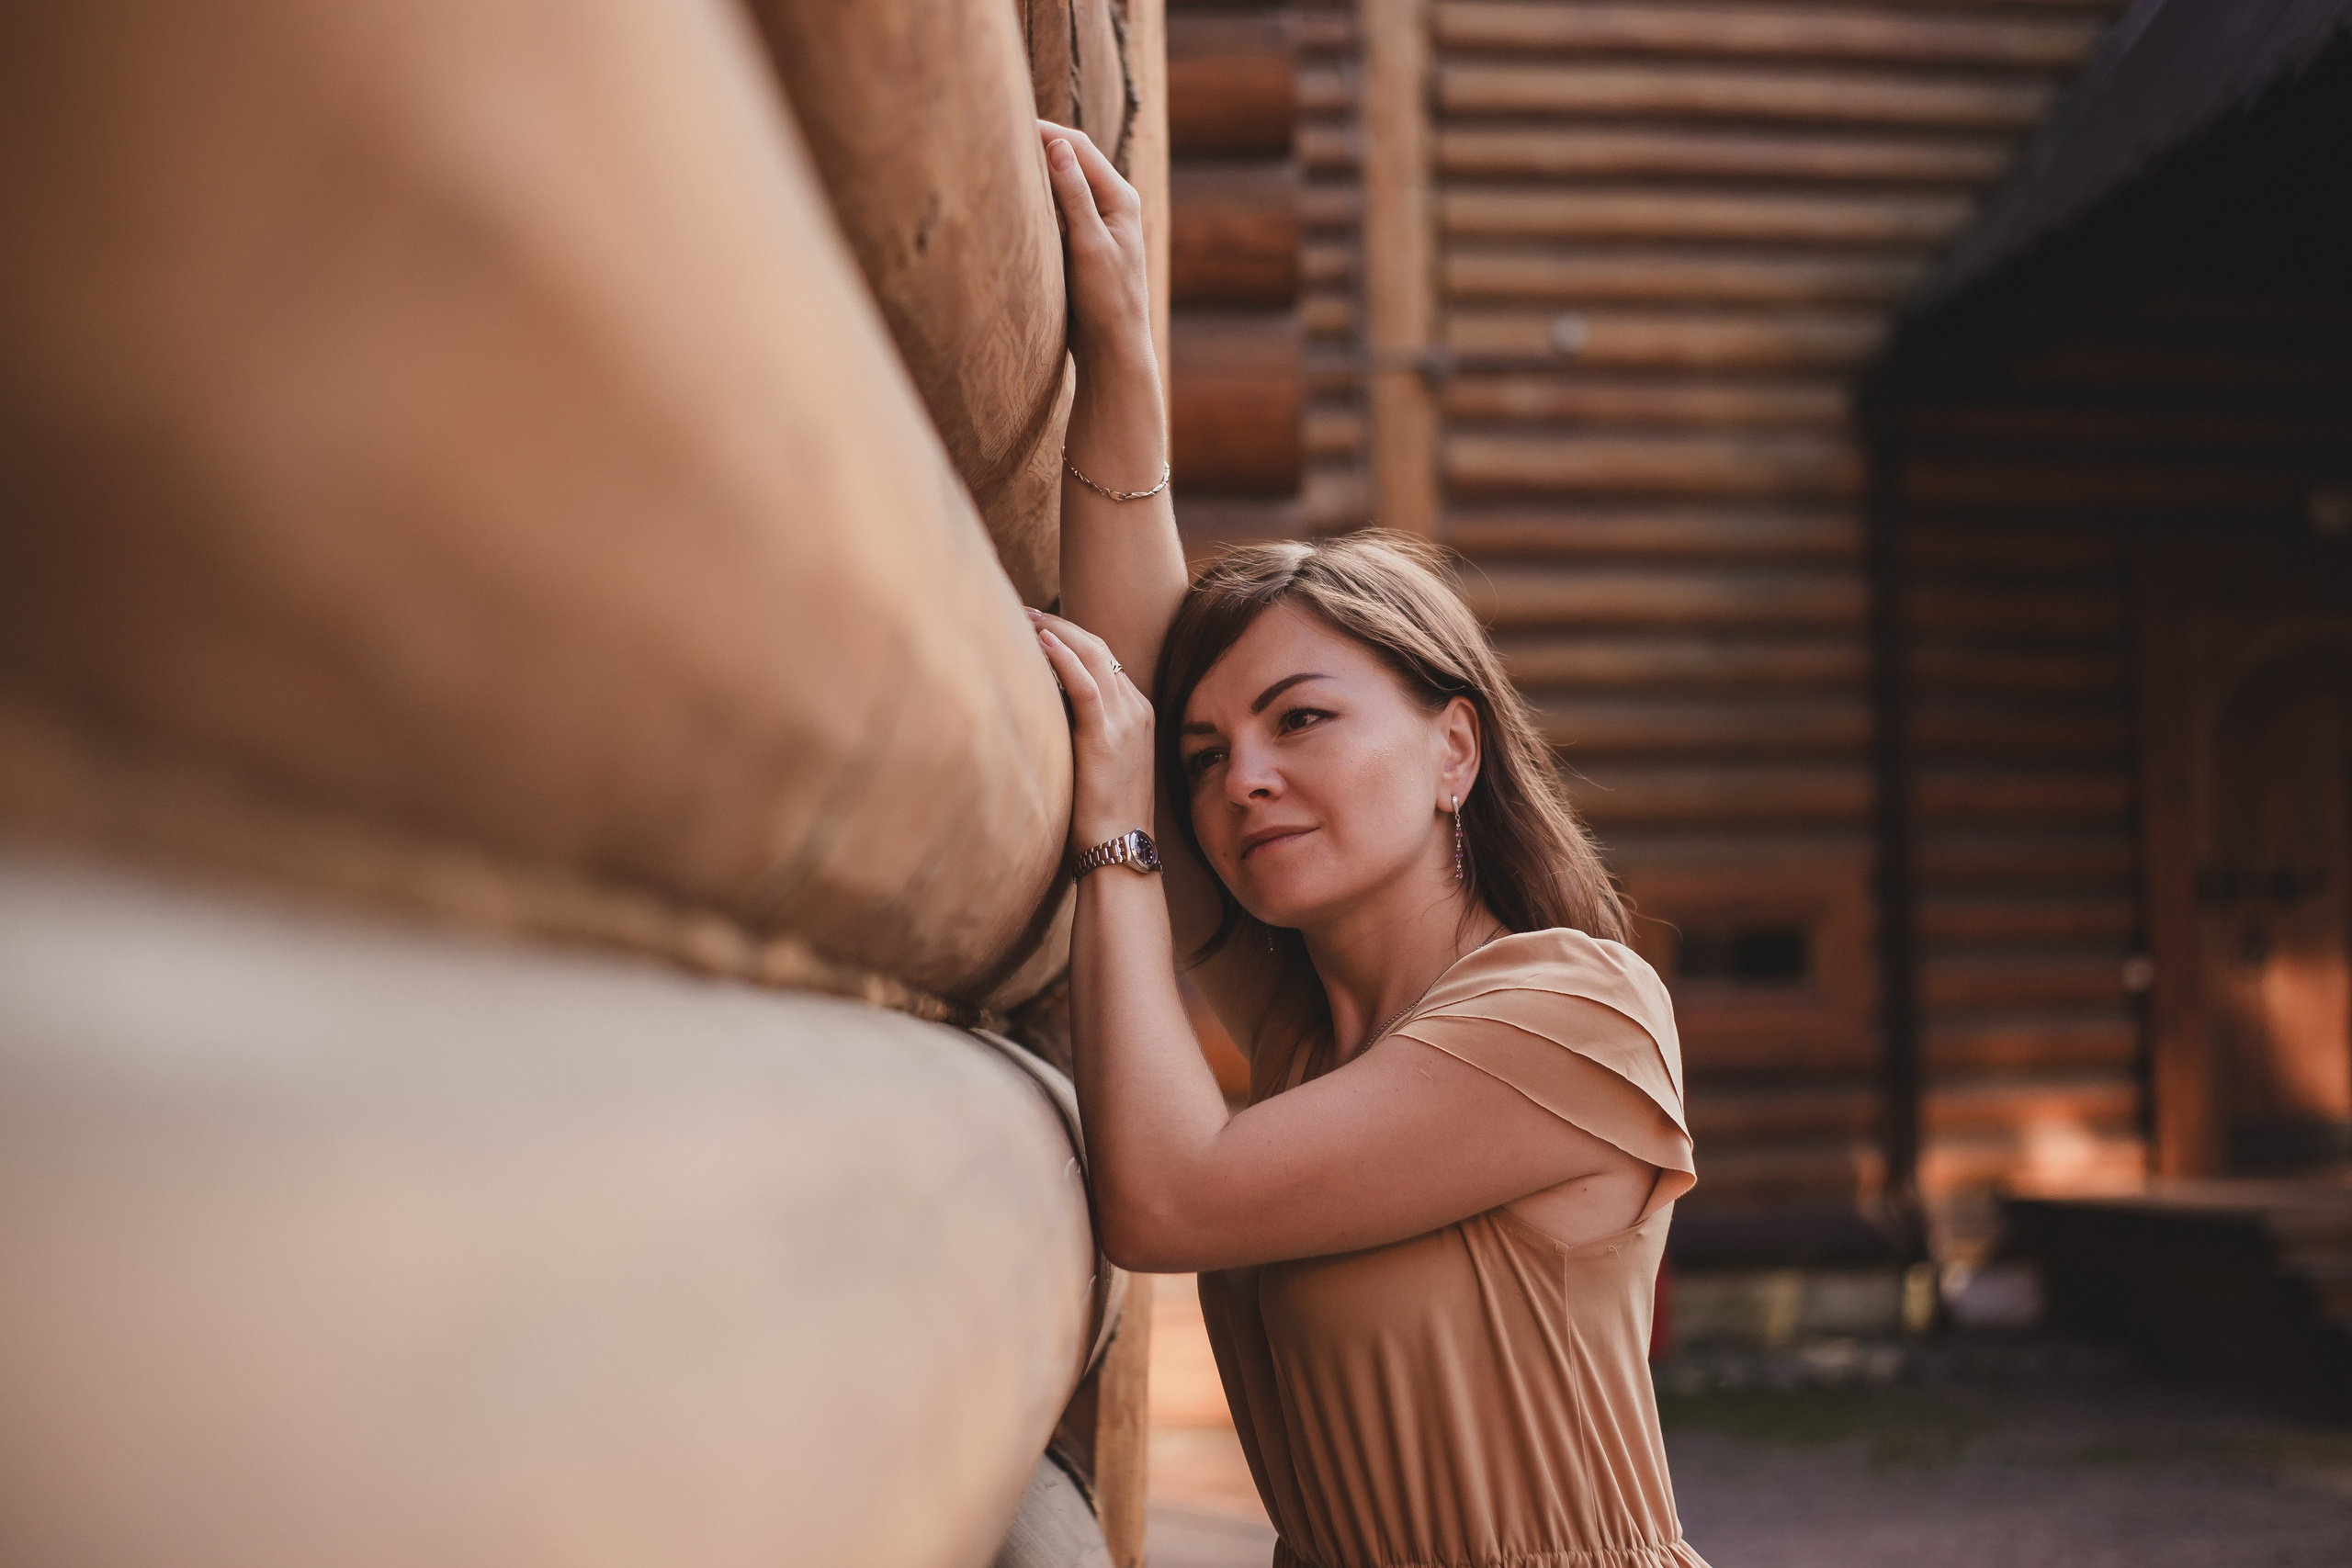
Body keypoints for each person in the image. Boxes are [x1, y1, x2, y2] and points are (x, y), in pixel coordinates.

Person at [1034, 120, 1710, 1568]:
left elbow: (1165, 1199)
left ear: (1455, 750)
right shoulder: (1311, 1042)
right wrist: (1121, 367)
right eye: (1206, 759)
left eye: (1303, 720)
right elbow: (1147, 694)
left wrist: (1118, 833)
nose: (1243, 780)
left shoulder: (1573, 1013)